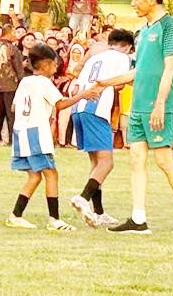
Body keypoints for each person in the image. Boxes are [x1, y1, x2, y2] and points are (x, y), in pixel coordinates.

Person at [95, 0, 173, 234]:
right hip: (140, 107)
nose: (133, 3)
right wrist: (105, 83)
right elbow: (138, 72)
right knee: (136, 159)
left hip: (158, 106)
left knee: (163, 160)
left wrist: (160, 104)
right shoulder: (142, 32)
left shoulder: (169, 26)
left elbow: (171, 66)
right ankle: (138, 219)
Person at [5, 44, 99, 231]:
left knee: (34, 176)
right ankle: (54, 219)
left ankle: (16, 215)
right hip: (36, 132)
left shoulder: (25, 81)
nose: (56, 68)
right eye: (55, 65)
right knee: (51, 173)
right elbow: (61, 104)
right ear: (46, 65)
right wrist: (82, 95)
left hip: (21, 131)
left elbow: (15, 107)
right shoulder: (44, 83)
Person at [68, 29, 133, 228]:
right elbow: (120, 84)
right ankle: (83, 197)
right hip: (96, 109)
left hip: (78, 108)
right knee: (107, 163)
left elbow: (77, 82)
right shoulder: (122, 58)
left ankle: (99, 212)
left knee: (96, 164)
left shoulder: (94, 57)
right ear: (128, 46)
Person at [0, 25, 24, 145]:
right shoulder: (13, 49)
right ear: (9, 33)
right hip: (11, 85)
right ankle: (13, 141)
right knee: (11, 115)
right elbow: (19, 68)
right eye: (14, 33)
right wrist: (22, 84)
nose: (15, 35)